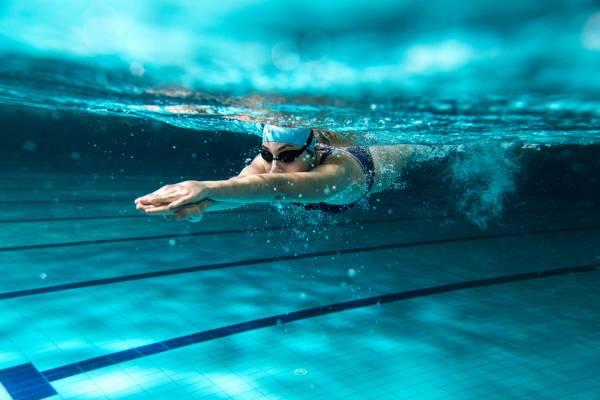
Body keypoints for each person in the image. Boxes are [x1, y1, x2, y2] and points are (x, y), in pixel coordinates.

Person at [134, 124, 418, 221]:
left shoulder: (339, 171)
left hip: (380, 159)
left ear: (313, 151)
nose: (273, 167)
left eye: (287, 156)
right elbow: (241, 189)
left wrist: (203, 187)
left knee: (418, 148)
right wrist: (201, 206)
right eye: (267, 154)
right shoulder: (269, 165)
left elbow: (278, 188)